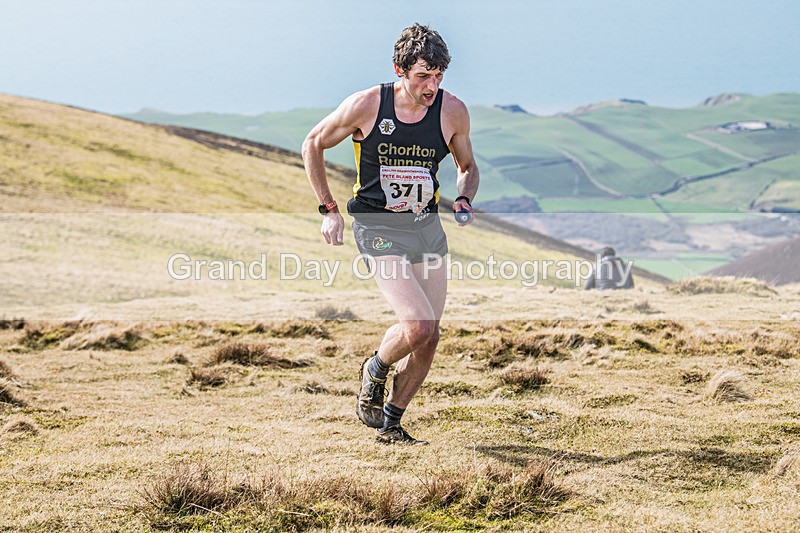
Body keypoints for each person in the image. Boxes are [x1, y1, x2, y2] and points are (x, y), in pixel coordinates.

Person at [302, 23, 479, 445]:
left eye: (439, 76)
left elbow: (467, 166)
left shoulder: (452, 111)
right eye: (423, 76)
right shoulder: (368, 105)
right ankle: (375, 369)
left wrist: (464, 198)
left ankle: (391, 425)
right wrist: (328, 209)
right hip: (378, 227)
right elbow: (313, 143)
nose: (432, 85)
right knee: (417, 326)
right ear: (399, 70)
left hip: (426, 229)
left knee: (429, 337)